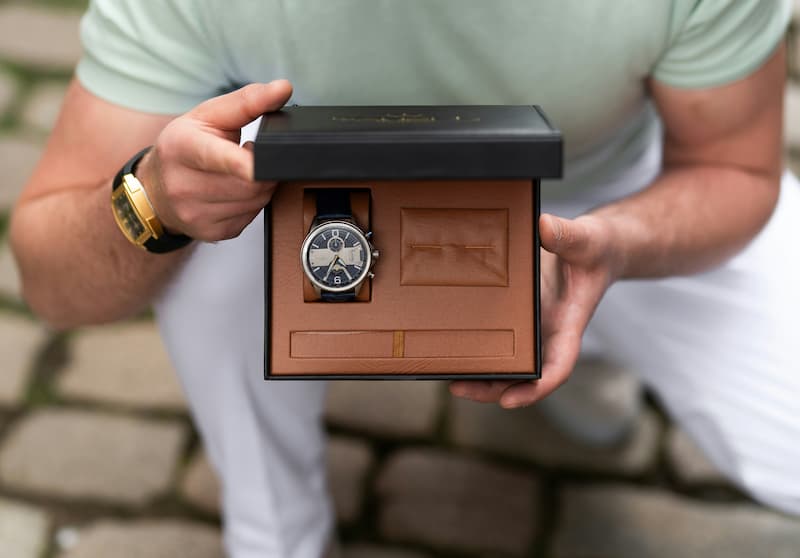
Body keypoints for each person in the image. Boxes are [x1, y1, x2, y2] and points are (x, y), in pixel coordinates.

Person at [9, 1, 799, 556]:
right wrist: (154, 197)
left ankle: (588, 361)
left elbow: (732, 167)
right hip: (313, 203)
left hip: (606, 194)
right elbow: (51, 279)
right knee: (204, 238)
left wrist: (616, 245)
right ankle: (276, 527)